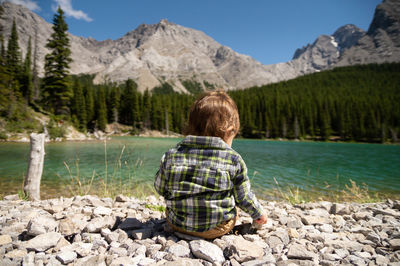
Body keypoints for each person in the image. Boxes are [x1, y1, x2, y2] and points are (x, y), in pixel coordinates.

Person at [154, 90, 267, 239]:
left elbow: (160, 188)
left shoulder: (172, 154)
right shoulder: (233, 159)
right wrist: (259, 214)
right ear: (229, 130)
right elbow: (243, 197)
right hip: (217, 228)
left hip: (177, 224)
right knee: (235, 210)